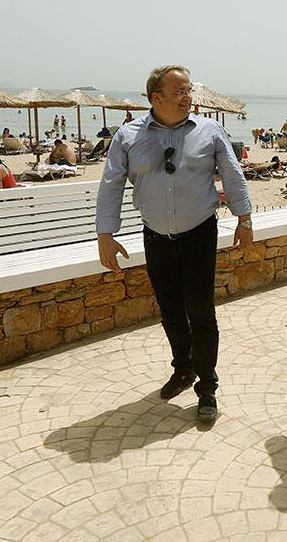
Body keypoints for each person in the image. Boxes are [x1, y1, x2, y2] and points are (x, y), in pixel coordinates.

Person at [96, 65, 253, 422]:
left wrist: (244, 219)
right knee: (170, 310)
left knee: (201, 311)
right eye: (180, 91)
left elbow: (233, 175)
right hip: (155, 236)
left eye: (188, 91)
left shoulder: (209, 130)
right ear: (156, 97)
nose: (188, 97)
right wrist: (106, 234)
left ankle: (207, 385)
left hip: (199, 233)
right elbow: (111, 184)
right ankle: (183, 369)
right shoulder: (128, 136)